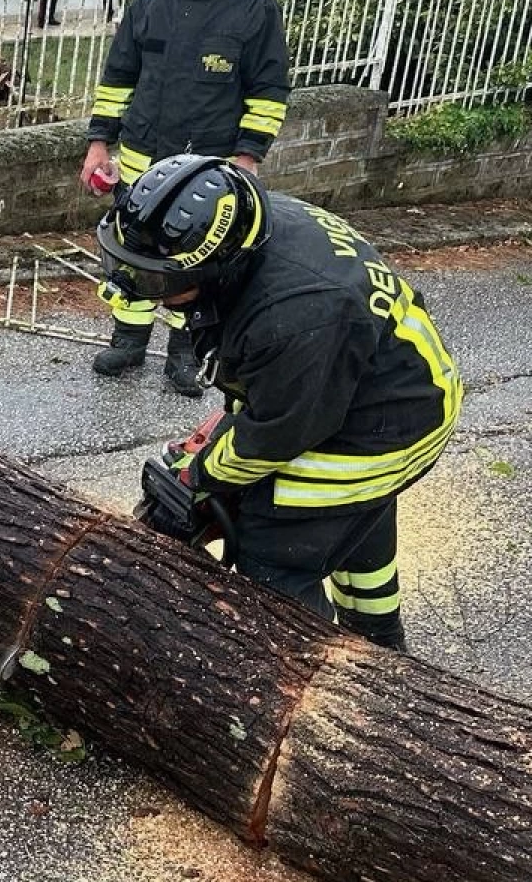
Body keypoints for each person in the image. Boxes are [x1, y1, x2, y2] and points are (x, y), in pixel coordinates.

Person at [97, 154, 462, 652]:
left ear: (219, 268)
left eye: (158, 282)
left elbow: (272, 436)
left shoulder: (295, 316)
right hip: (381, 385)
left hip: (384, 430)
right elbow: (266, 389)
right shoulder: (254, 228)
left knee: (272, 549)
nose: (147, 291)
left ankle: (310, 677)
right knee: (354, 520)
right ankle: (381, 646)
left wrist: (201, 477)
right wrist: (206, 446)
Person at [80, 0, 290, 396]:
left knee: (195, 261)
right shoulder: (151, 2)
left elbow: (269, 90)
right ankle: (128, 340)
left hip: (209, 167)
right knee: (132, 250)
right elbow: (117, 78)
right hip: (141, 158)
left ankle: (184, 352)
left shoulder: (256, 9)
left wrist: (247, 156)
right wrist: (98, 143)